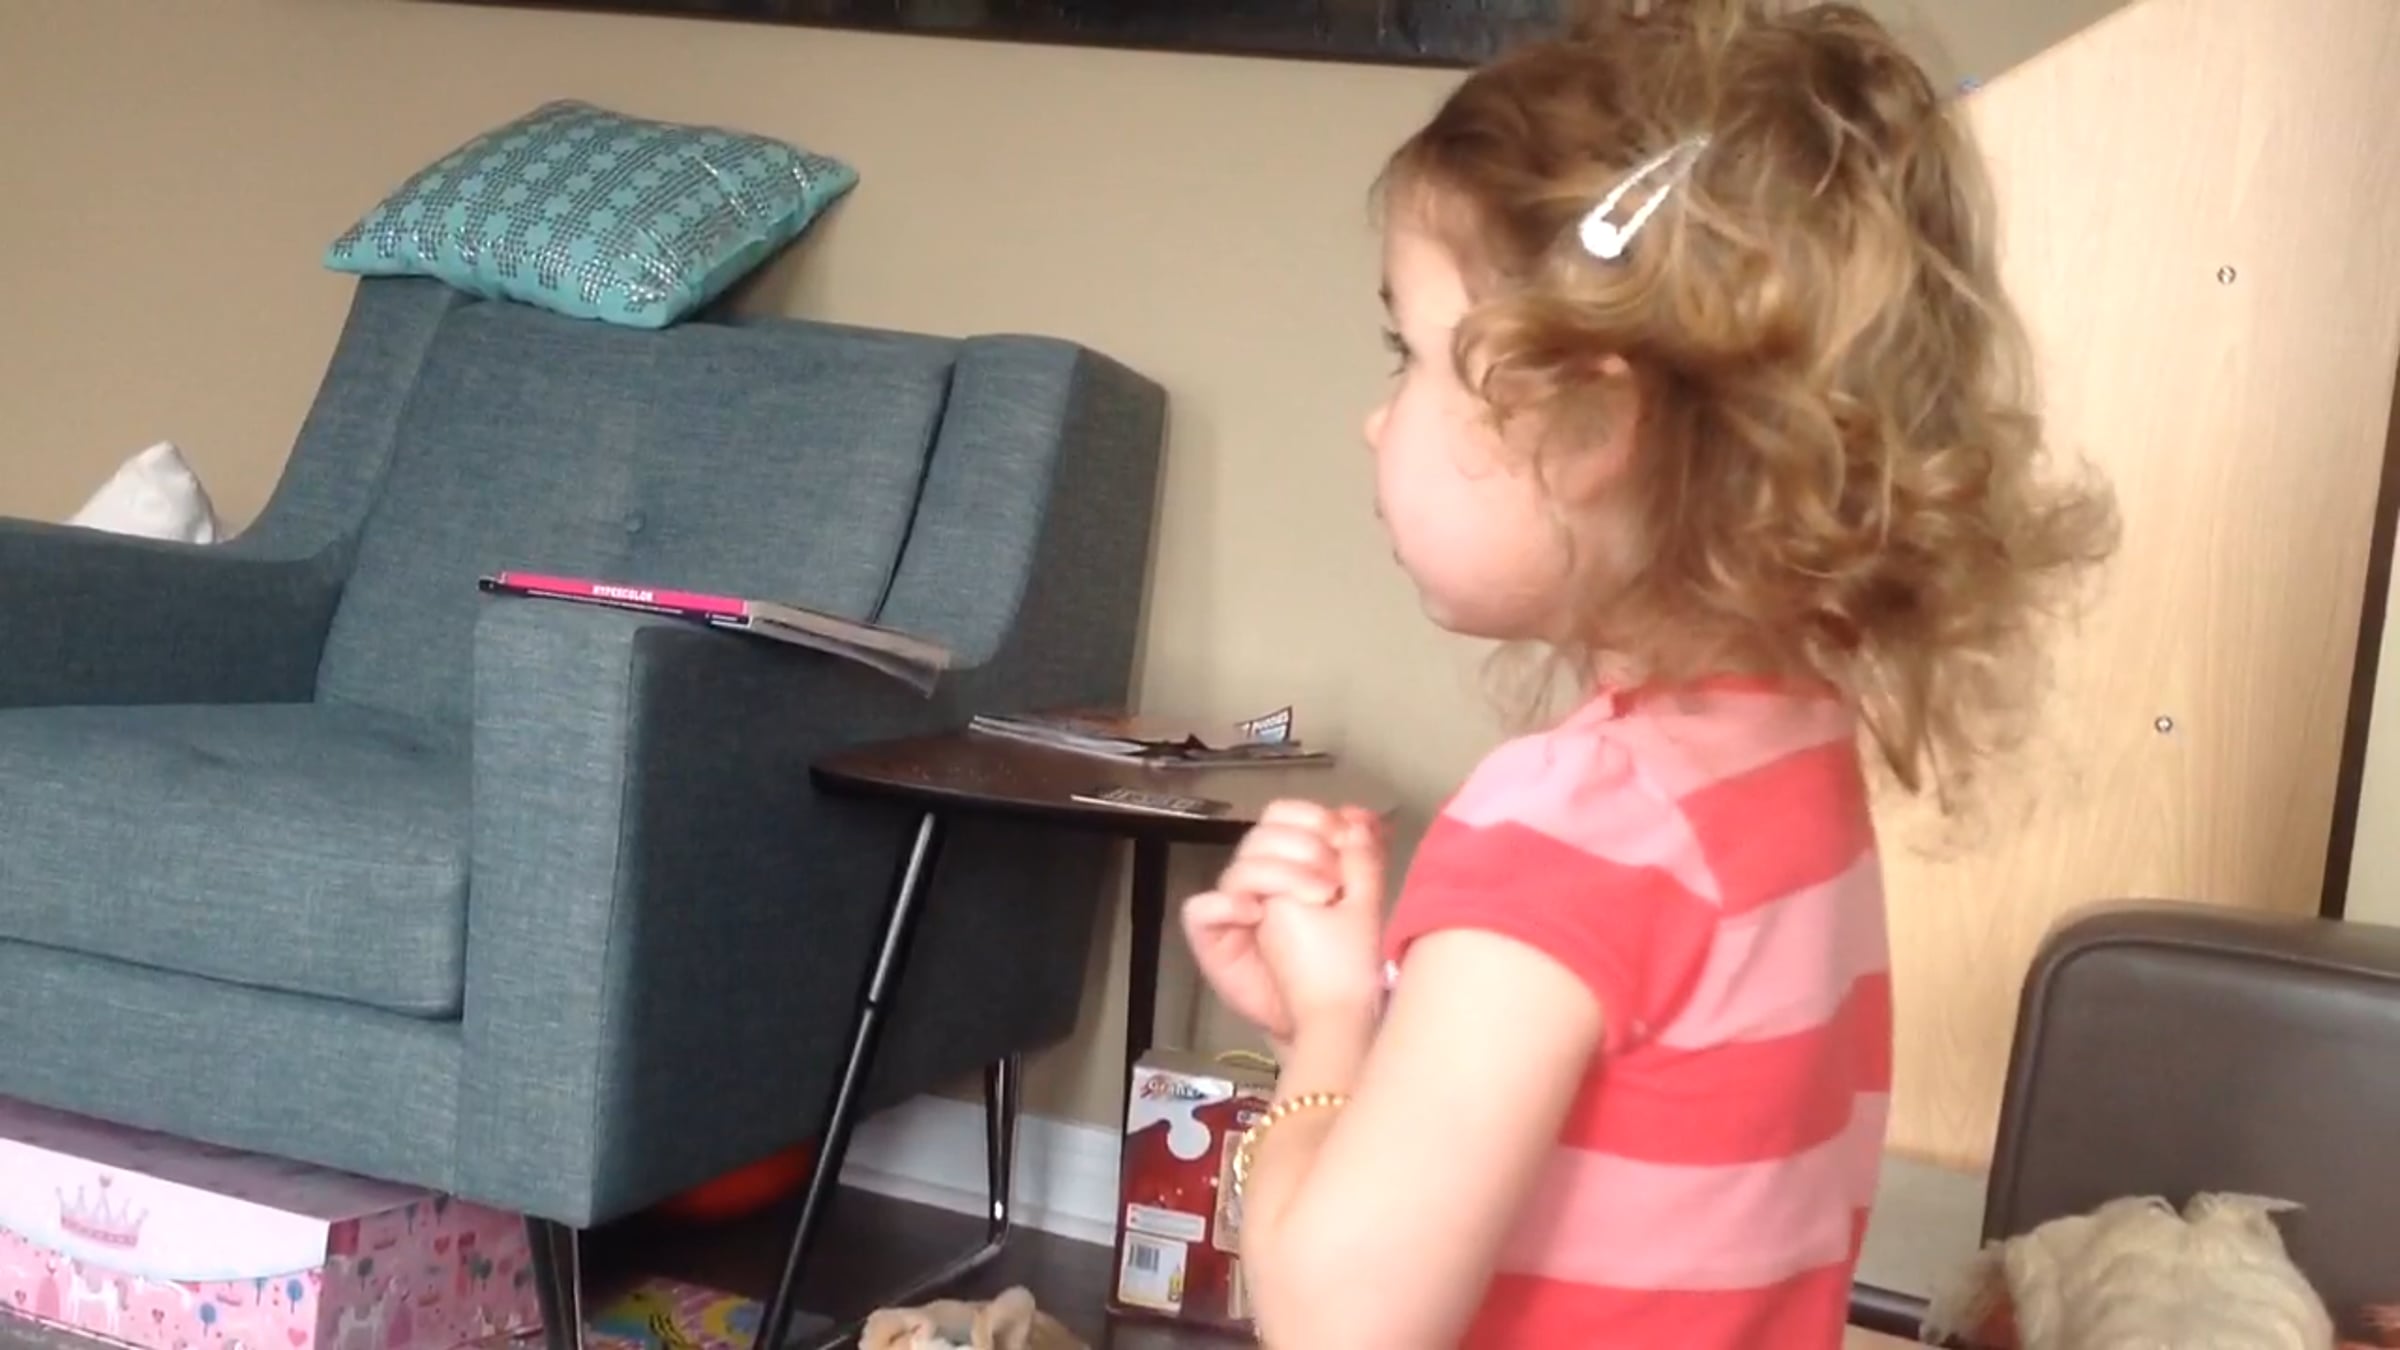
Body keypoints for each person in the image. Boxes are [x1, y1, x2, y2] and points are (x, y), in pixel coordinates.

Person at [1180, 2, 2119, 1346]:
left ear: (1590, 428)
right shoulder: (1790, 756)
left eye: (1413, 355)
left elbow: (1337, 1319)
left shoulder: (1568, 825)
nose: (1374, 420)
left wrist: (1326, 1030)